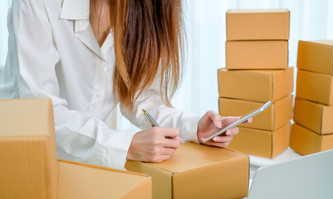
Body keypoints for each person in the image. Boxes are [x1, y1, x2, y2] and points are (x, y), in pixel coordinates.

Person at [0, 0, 246, 169]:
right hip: (20, 158)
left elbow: (139, 98)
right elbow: (41, 113)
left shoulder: (142, 9)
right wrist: (124, 145)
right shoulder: (37, 3)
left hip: (86, 164)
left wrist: (193, 126)